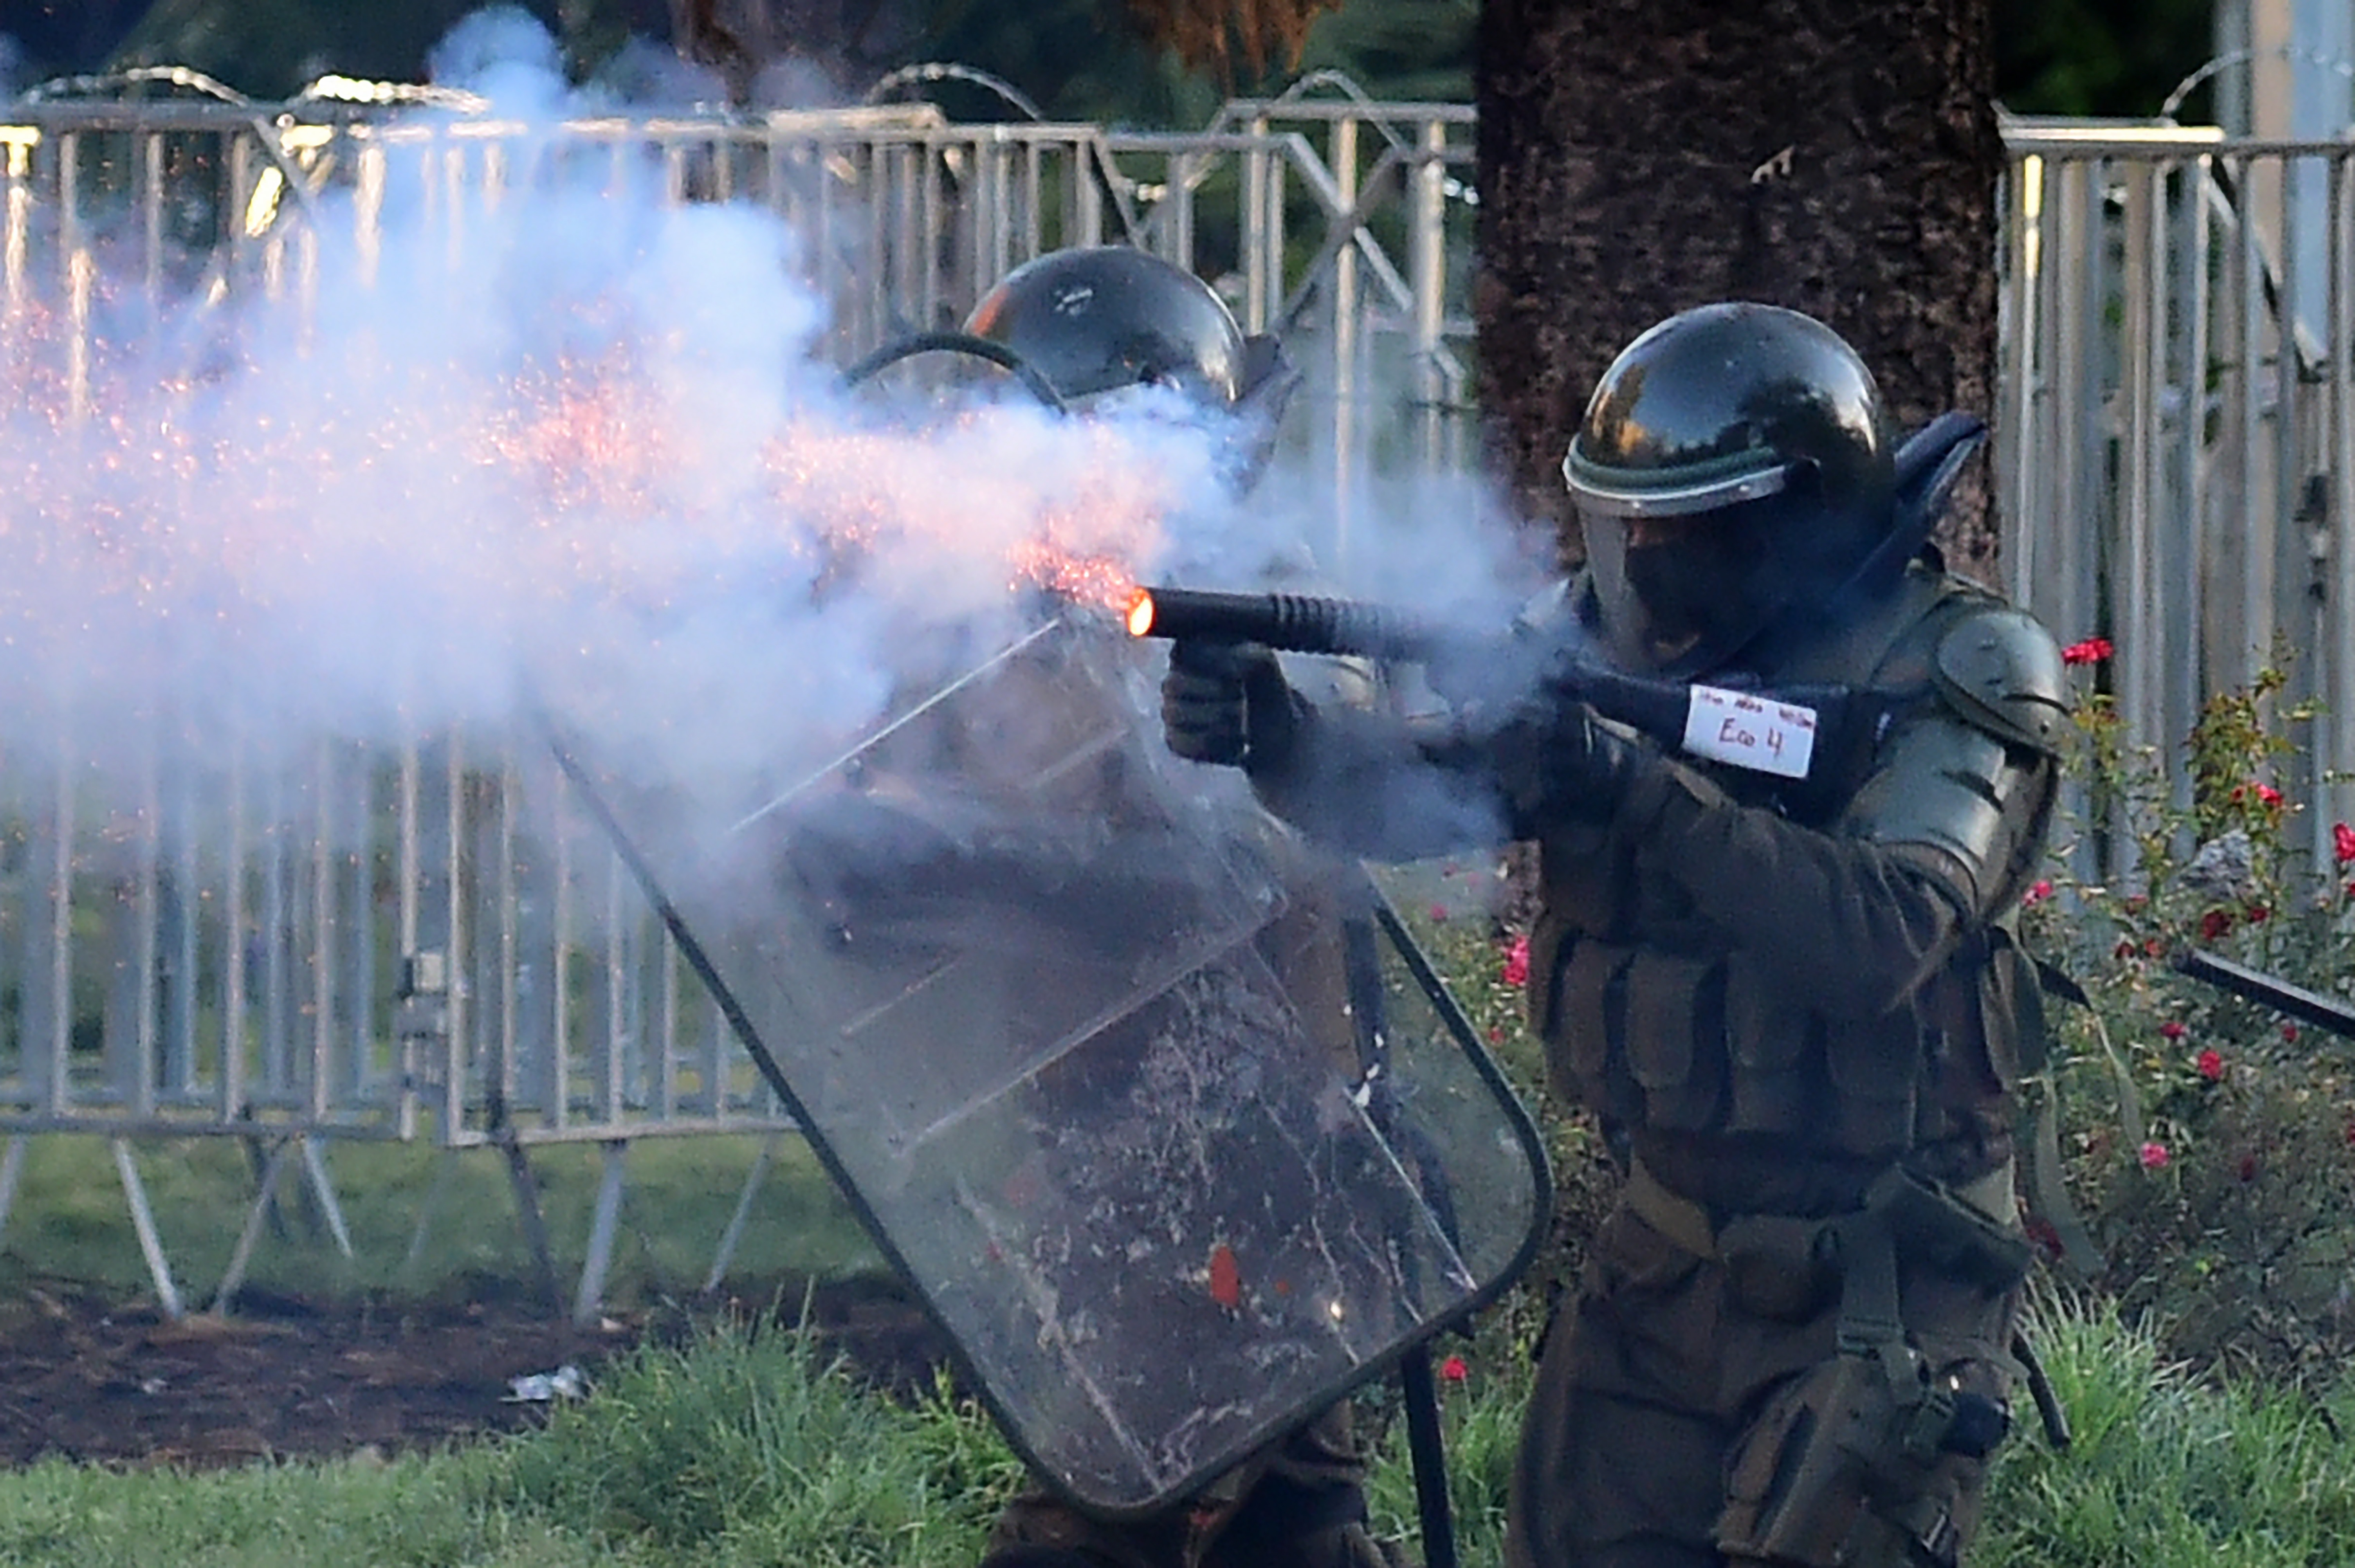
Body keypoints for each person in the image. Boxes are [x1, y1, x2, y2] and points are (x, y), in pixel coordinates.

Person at [1159, 301, 2070, 1568]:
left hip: (1880, 1279)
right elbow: (1417, 795)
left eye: (1678, 533)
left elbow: (1882, 940)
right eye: (1623, 526)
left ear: (1791, 517)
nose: (1640, 566)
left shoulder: (1960, 664)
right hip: (1659, 1266)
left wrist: (1631, 786)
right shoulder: (1596, 639)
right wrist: (1277, 738)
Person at [959, 245, 1403, 1568]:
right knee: (1282, 1510)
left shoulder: (1253, 592)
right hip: (1111, 1123)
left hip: (1270, 1127)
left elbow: (1325, 785)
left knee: (1110, 1519)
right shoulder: (1006, 617)